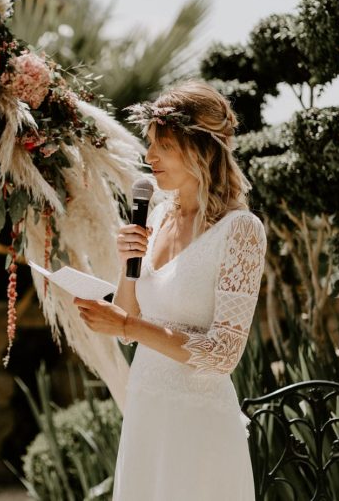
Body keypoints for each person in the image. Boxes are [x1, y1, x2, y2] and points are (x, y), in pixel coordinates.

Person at [74, 80, 265, 500]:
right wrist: (128, 265)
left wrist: (128, 326)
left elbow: (222, 354)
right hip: (147, 411)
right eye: (150, 144)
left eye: (163, 145)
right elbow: (130, 314)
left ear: (200, 148)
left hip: (198, 425)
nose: (149, 157)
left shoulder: (241, 231)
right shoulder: (157, 216)